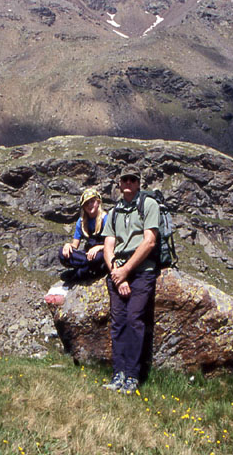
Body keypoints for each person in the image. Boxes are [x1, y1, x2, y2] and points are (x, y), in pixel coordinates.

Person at [101, 165, 159, 394]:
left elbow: (149, 241)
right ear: (119, 183)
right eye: (124, 180)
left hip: (142, 270)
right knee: (118, 322)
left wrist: (126, 271)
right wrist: (118, 274)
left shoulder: (148, 205)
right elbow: (108, 246)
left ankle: (133, 376)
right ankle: (119, 373)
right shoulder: (114, 213)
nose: (128, 184)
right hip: (119, 272)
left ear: (138, 183)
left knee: (135, 319)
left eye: (132, 180)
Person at [59, 188, 107, 282]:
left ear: (98, 202)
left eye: (92, 201)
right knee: (62, 253)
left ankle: (79, 273)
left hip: (101, 254)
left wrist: (98, 247)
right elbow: (75, 245)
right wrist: (68, 246)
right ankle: (86, 268)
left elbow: (113, 244)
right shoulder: (81, 222)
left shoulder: (105, 219)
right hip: (87, 255)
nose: (89, 205)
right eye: (86, 203)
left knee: (96, 258)